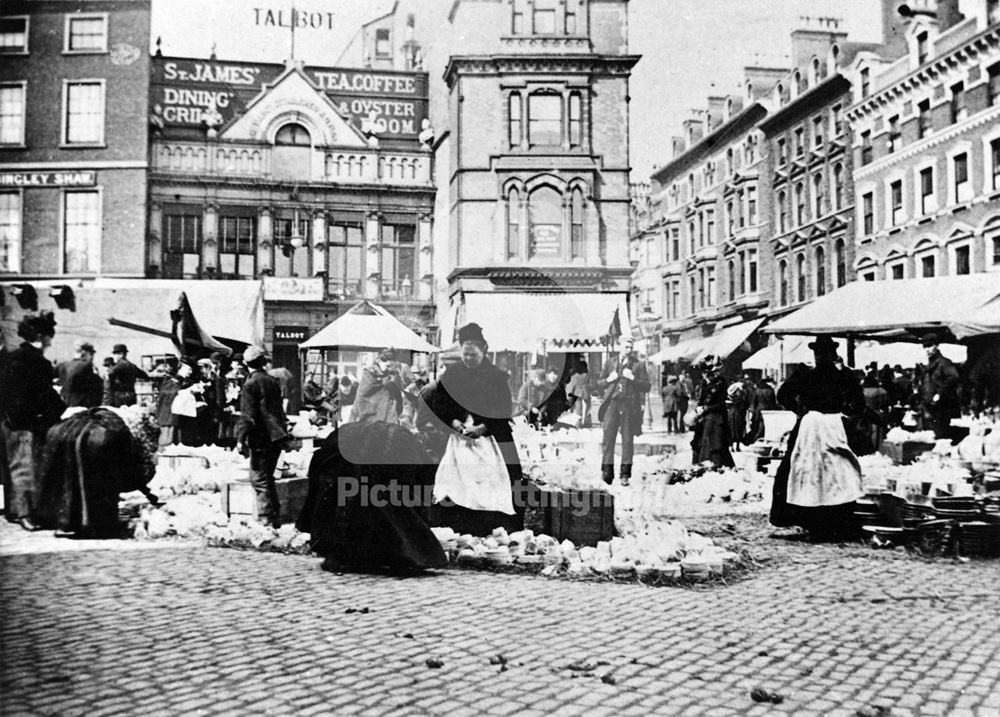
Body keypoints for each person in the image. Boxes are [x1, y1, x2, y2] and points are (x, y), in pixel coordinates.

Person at [421, 322, 524, 535]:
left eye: (473, 355)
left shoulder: (497, 377)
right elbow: (439, 403)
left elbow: (503, 409)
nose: (468, 360)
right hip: (460, 437)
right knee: (454, 481)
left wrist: (483, 428)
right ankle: (459, 530)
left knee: (504, 478)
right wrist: (454, 423)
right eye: (465, 355)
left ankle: (499, 531)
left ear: (484, 350)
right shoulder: (452, 375)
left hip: (492, 434)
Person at [770, 336, 865, 539]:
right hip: (829, 425)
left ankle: (815, 520)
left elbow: (783, 394)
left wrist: (800, 410)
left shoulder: (807, 375)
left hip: (813, 425)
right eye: (819, 352)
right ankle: (833, 520)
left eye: (822, 353)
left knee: (809, 471)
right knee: (834, 472)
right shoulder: (842, 375)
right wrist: (847, 415)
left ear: (828, 354)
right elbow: (859, 402)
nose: (820, 356)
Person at [0, 313, 66, 530]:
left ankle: (12, 511)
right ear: (40, 336)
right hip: (25, 423)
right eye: (49, 336)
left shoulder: (10, 356)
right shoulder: (38, 361)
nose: (50, 341)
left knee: (12, 466)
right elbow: (44, 395)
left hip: (8, 420)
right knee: (24, 467)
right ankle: (26, 514)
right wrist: (62, 410)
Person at [236, 346, 292, 528]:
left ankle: (266, 519)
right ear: (263, 362)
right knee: (268, 476)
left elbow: (248, 416)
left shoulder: (250, 384)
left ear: (246, 363)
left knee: (259, 478)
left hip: (260, 437)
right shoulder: (271, 380)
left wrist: (240, 438)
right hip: (275, 437)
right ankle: (275, 516)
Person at [597, 337, 651, 485]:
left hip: (629, 405)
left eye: (630, 347)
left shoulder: (638, 365)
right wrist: (608, 379)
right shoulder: (610, 362)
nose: (629, 350)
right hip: (612, 404)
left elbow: (647, 386)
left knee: (627, 441)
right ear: (620, 346)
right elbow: (598, 384)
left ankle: (625, 474)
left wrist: (633, 378)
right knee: (608, 439)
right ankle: (607, 473)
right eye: (626, 346)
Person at [690, 355, 735, 468]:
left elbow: (721, 404)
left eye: (708, 373)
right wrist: (698, 409)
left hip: (716, 419)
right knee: (700, 444)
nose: (705, 375)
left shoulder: (720, 383)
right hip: (705, 420)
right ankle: (703, 467)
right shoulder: (704, 383)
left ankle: (715, 469)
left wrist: (706, 409)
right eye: (704, 373)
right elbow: (701, 399)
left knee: (716, 446)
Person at [920, 332, 961, 440]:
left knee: (940, 439)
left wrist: (940, 393)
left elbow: (954, 377)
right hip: (928, 408)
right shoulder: (928, 366)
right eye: (925, 347)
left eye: (930, 346)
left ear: (937, 346)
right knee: (928, 440)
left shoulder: (944, 363)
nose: (927, 350)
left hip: (941, 409)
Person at [350, 348, 404, 425]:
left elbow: (398, 397)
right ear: (379, 361)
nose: (389, 365)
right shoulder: (369, 375)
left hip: (389, 418)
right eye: (385, 362)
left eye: (392, 361)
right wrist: (353, 419)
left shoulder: (394, 376)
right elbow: (360, 397)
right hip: (370, 419)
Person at [55, 341, 104, 408]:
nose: (92, 357)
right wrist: (96, 375)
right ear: (84, 353)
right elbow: (97, 386)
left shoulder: (63, 365)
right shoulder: (86, 366)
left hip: (64, 404)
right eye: (91, 354)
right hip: (79, 407)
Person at [154, 356, 181, 449]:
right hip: (166, 409)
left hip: (167, 410)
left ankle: (162, 454)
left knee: (168, 434)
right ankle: (161, 454)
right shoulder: (170, 381)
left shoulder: (169, 380)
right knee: (167, 434)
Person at [744, 376, 778, 444]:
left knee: (757, 426)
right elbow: (773, 402)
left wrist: (753, 411)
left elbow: (754, 402)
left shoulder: (758, 390)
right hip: (768, 410)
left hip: (759, 410)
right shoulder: (770, 390)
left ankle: (755, 439)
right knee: (766, 426)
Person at [566, 360, 592, 427]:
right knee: (586, 411)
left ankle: (577, 426)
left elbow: (571, 387)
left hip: (576, 396)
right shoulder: (587, 376)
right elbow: (591, 386)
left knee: (578, 412)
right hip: (586, 396)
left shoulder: (575, 376)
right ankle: (586, 424)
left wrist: (568, 396)